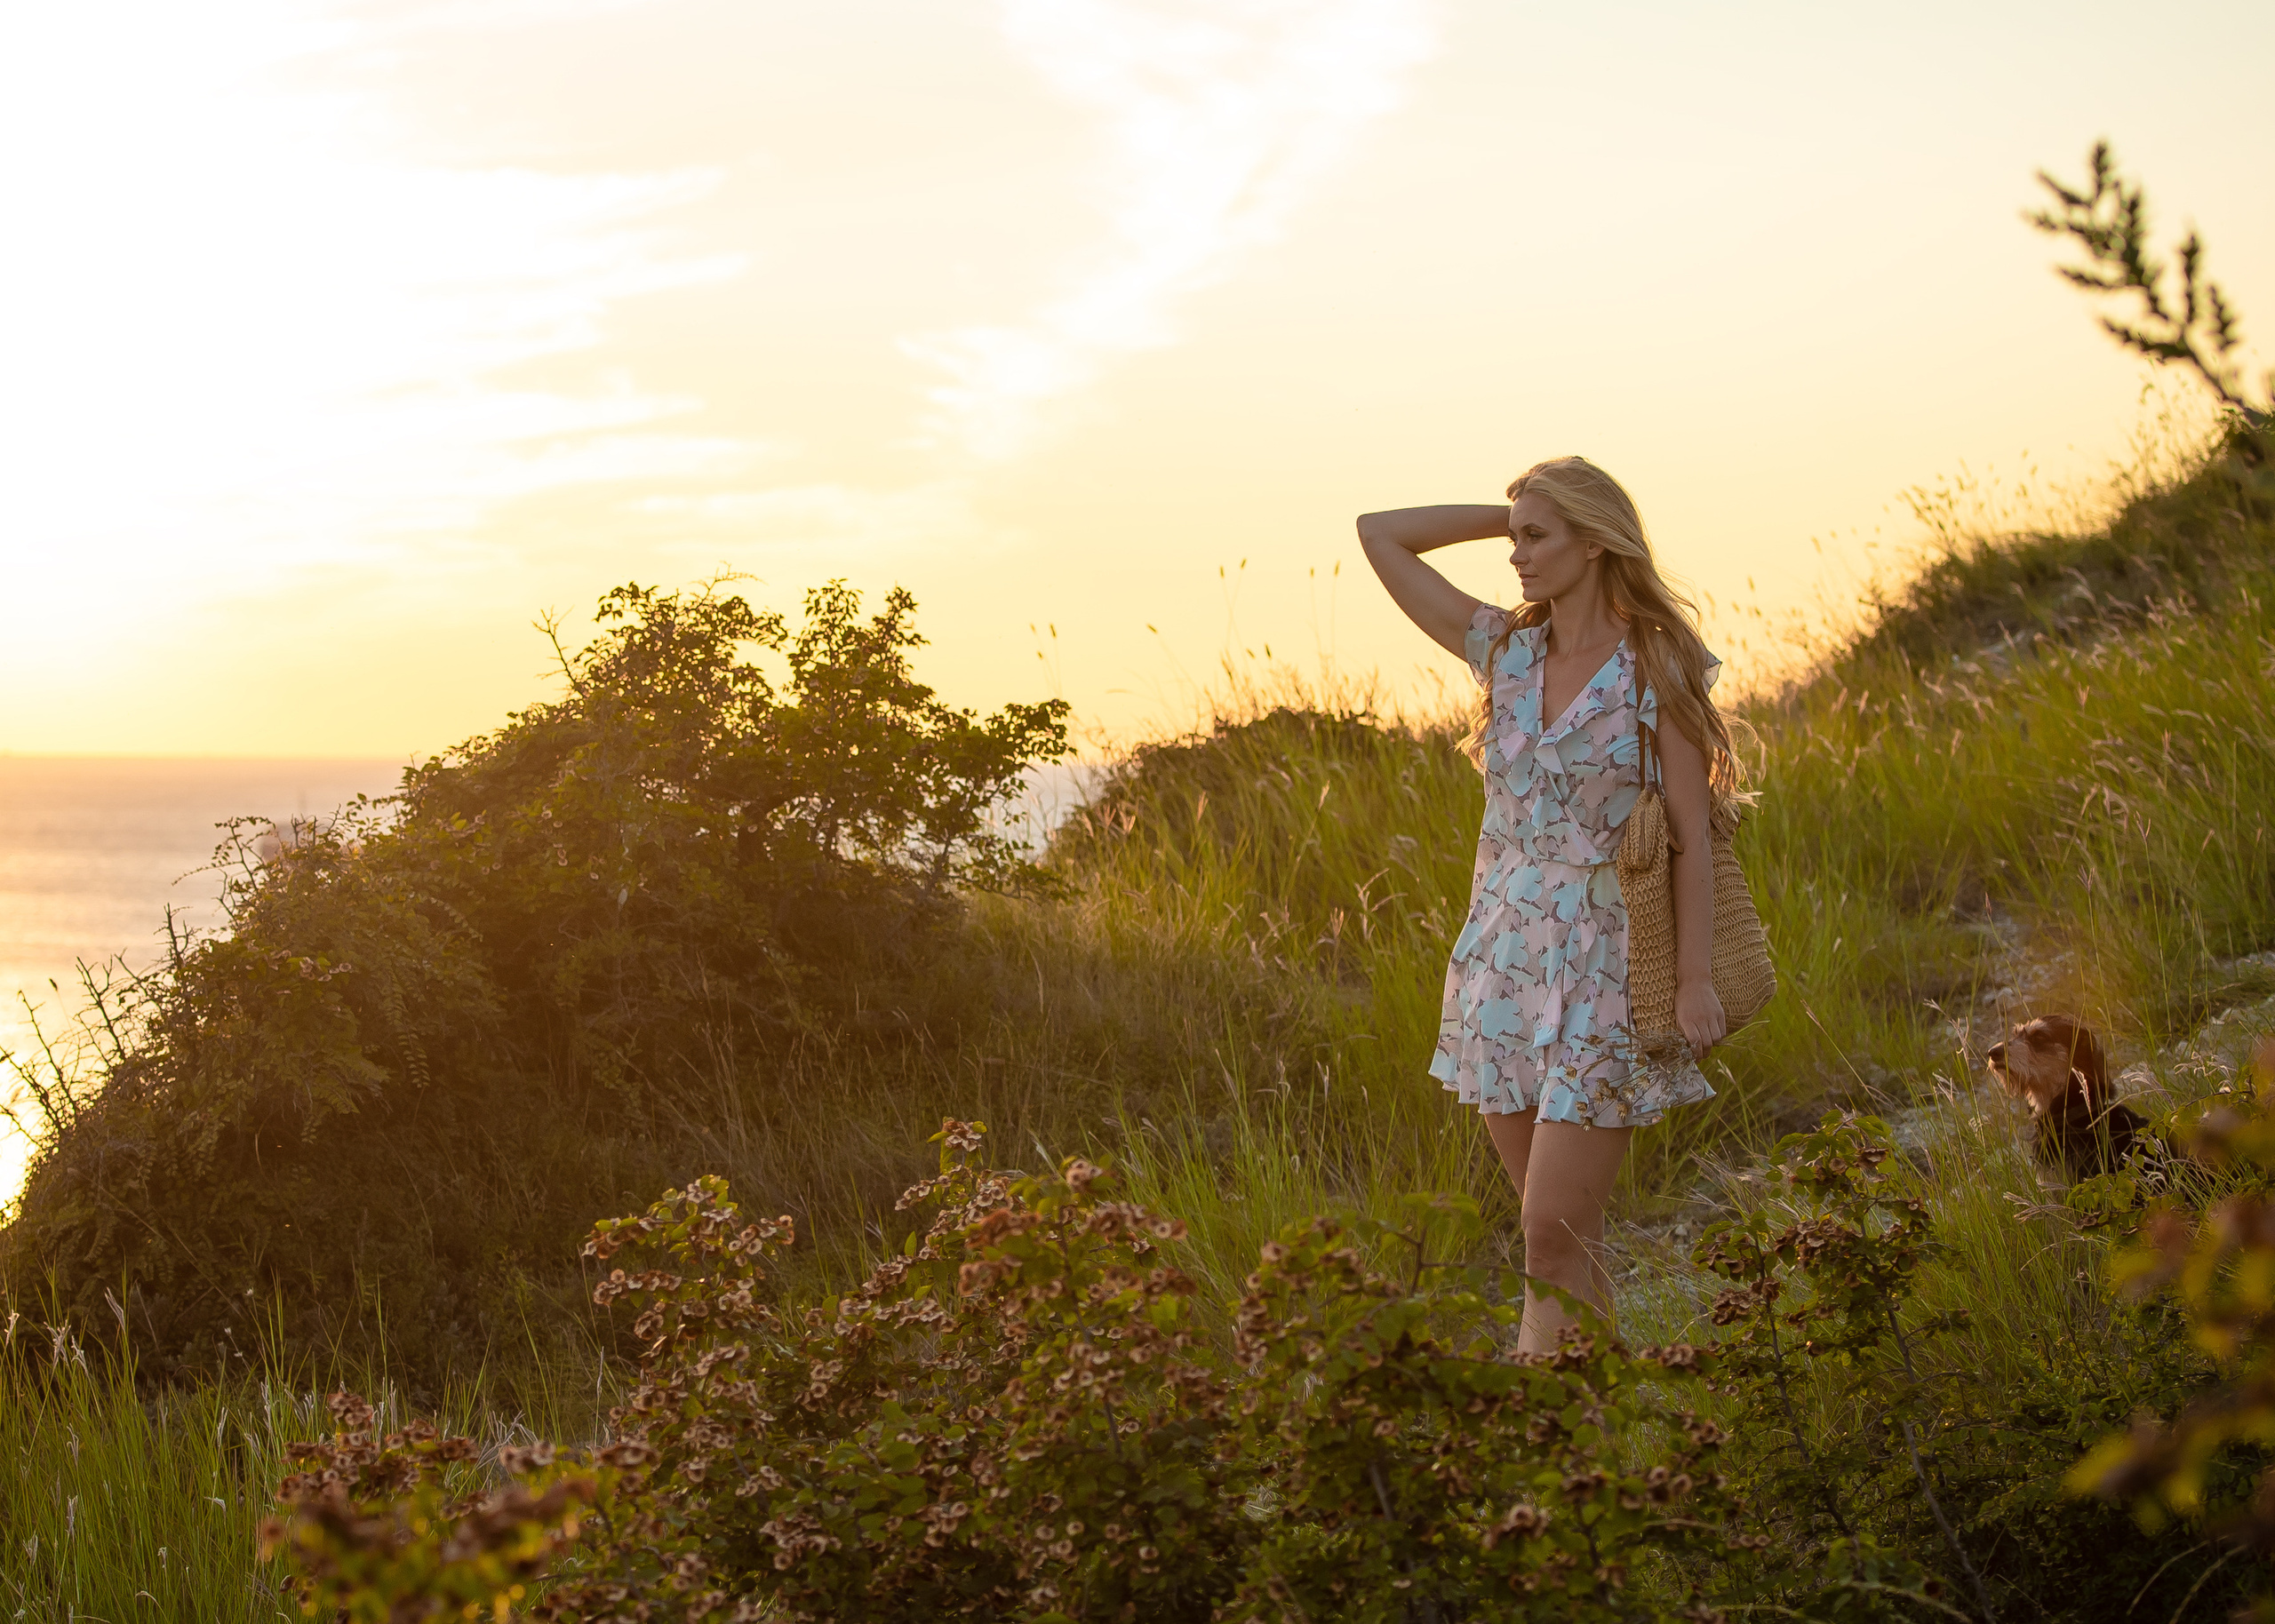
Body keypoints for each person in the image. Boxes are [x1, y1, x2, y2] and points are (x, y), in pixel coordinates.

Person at [1357, 456, 1739, 1353]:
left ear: (1595, 540)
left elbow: (1690, 831)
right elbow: (1379, 532)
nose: (1517, 556)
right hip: (1500, 963)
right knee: (1565, 1243)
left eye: (1538, 537)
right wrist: (1510, 513)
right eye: (1514, 537)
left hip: (1607, 965)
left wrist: (1692, 980)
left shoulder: (1656, 661)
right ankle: (1596, 1448)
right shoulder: (1505, 648)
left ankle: (1544, 1435)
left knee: (1548, 1235)